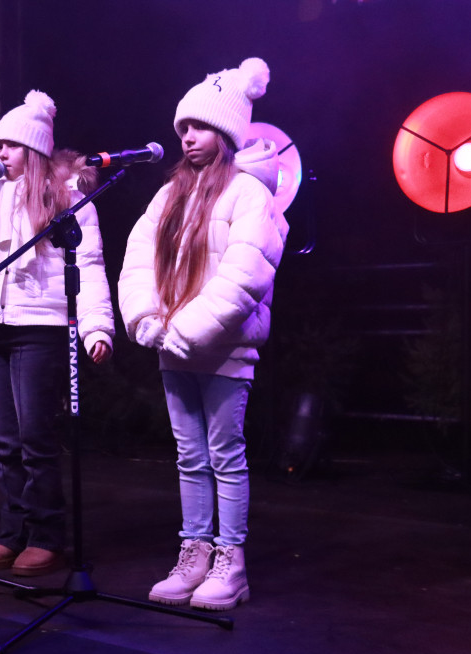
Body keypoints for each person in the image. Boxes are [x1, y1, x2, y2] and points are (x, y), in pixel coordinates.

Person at [118, 58, 288, 610]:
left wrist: (189, 328)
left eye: (198, 126)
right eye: (182, 128)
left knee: (224, 453)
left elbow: (246, 273)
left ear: (227, 131)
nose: (187, 136)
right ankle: (193, 552)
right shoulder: (170, 195)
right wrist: (148, 319)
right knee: (189, 456)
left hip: (223, 348)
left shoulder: (249, 194)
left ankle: (229, 561)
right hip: (175, 347)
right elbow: (138, 260)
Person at [0, 90, 115, 577]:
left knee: (36, 438)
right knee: (4, 440)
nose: (0, 155)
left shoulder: (67, 194)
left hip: (39, 329)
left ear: (32, 148)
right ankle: (12, 531)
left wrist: (97, 327)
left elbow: (88, 265)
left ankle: (47, 537)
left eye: (9, 146)